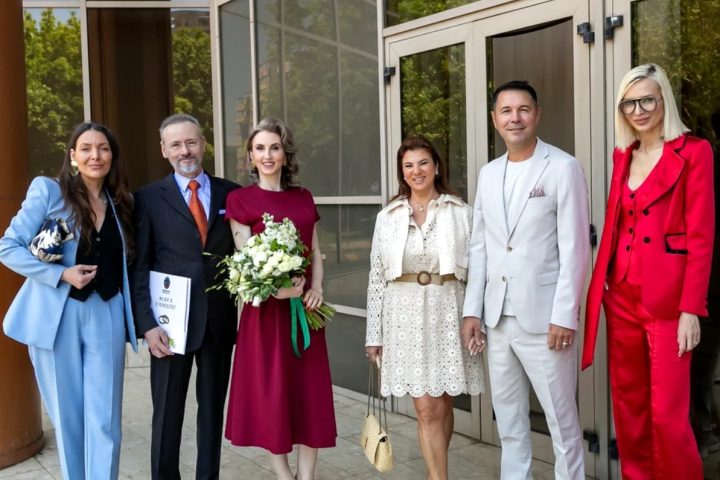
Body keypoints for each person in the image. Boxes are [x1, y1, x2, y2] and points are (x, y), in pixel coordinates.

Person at [583, 63, 714, 480]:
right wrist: (604, 281)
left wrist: (691, 308)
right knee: (630, 406)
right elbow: (617, 220)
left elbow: (702, 236)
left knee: (668, 416)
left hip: (669, 301)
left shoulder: (694, 152)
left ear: (663, 101)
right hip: (621, 296)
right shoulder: (624, 155)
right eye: (628, 103)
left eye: (646, 101)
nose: (637, 111)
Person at [462, 80, 589, 479]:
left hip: (546, 320)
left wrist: (565, 315)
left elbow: (575, 249)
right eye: (506, 110)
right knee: (510, 421)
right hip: (498, 319)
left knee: (561, 422)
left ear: (537, 115)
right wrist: (472, 310)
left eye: (523, 109)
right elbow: (480, 247)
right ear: (495, 119)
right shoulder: (488, 173)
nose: (514, 118)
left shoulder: (563, 167)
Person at [0, 122, 137, 479]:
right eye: (86, 148)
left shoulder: (120, 202)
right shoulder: (49, 191)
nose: (96, 155)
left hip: (107, 311)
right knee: (68, 416)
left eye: (103, 148)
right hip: (57, 315)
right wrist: (61, 274)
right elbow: (7, 248)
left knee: (105, 419)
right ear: (73, 155)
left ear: (112, 156)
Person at [223, 117, 336, 480]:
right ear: (250, 156)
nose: (267, 155)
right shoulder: (239, 200)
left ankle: (307, 477)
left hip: (306, 312)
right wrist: (277, 290)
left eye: (274, 148)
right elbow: (245, 260)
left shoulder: (303, 197)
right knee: (274, 397)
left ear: (285, 155)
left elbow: (315, 250)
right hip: (266, 318)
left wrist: (316, 288)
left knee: (309, 395)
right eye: (260, 148)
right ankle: (285, 477)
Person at [365, 136, 483, 480]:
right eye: (408, 165)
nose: (416, 171)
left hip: (448, 310)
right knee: (426, 407)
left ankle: (435, 473)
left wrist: (475, 316)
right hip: (403, 315)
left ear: (436, 167)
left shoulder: (460, 212)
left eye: (423, 163)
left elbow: (478, 271)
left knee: (444, 402)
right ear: (402, 172)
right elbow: (376, 278)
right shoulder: (388, 217)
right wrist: (374, 335)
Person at [131, 113, 240, 480]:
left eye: (191, 142)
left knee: (212, 414)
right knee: (166, 413)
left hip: (218, 323)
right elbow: (139, 267)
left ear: (203, 144)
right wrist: (147, 325)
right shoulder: (146, 199)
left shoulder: (232, 194)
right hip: (168, 326)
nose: (185, 151)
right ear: (164, 150)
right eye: (175, 144)